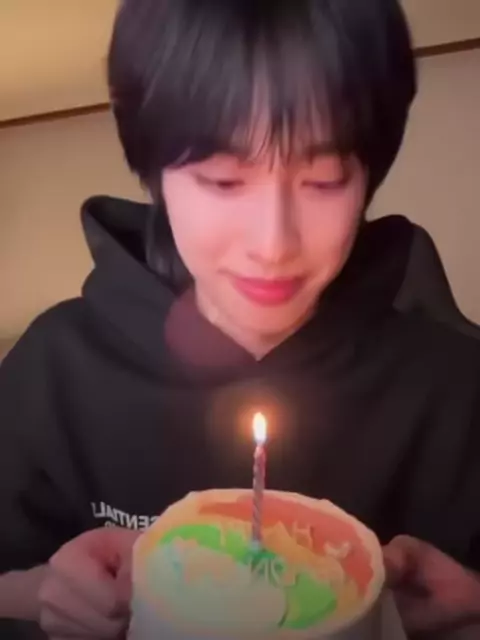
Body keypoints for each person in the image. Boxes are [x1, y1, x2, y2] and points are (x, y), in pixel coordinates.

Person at [1, 0, 480, 637]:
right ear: (155, 172)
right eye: (224, 180)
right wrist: (37, 593)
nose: (273, 243)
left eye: (324, 180)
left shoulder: (454, 385)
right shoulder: (52, 370)